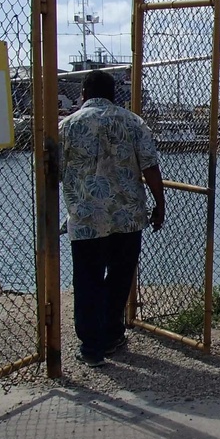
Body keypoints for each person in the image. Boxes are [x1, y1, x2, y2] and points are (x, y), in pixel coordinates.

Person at [59, 70, 166, 366]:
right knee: (120, 275)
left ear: (83, 92)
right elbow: (150, 166)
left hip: (86, 217)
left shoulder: (67, 126)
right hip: (127, 215)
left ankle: (91, 347)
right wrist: (160, 203)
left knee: (87, 278)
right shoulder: (133, 122)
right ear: (113, 93)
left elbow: (55, 170)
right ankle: (111, 333)